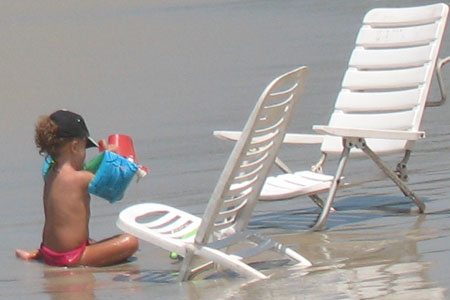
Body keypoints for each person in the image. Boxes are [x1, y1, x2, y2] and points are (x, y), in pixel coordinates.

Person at [16, 110, 139, 267]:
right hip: (71, 257)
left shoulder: (50, 174)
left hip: (48, 251)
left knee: (93, 242)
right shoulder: (81, 178)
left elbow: (89, 170)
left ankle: (39, 255)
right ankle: (77, 259)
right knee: (130, 241)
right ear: (74, 147)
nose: (84, 155)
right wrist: (115, 160)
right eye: (84, 148)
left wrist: (104, 159)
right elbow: (115, 191)